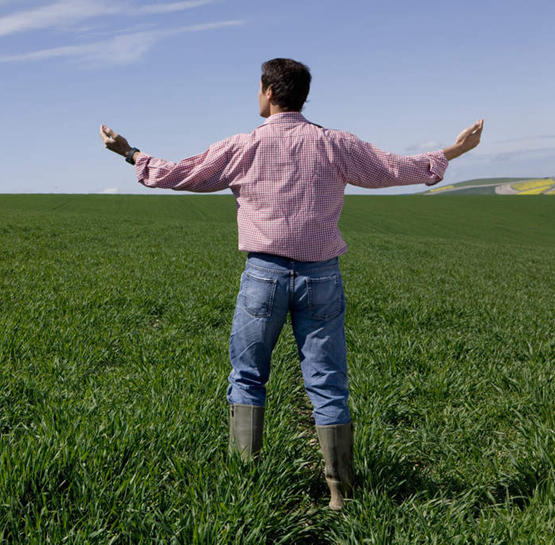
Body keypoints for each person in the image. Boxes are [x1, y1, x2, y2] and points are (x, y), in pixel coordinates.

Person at [99, 58, 483, 511]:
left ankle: (246, 486)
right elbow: (395, 169)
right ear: (303, 96)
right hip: (322, 277)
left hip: (263, 275)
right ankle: (340, 493)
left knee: (247, 377)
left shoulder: (243, 146)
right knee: (328, 384)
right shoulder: (335, 144)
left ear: (267, 91)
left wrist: (130, 152)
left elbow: (181, 172)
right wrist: (454, 152)